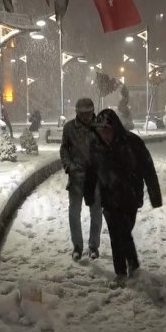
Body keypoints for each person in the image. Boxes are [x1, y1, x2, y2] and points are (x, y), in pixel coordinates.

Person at [84, 109, 162, 279]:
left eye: (107, 129)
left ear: (114, 128)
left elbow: (148, 169)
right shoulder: (96, 146)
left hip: (130, 196)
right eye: (101, 130)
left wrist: (155, 195)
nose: (104, 134)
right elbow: (90, 171)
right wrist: (89, 193)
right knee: (115, 233)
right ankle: (121, 271)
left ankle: (132, 264)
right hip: (108, 196)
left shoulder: (132, 142)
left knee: (124, 231)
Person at [60, 98, 103, 261]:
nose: (86, 117)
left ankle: (94, 246)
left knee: (96, 212)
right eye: (83, 113)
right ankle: (77, 246)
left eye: (89, 113)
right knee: (74, 212)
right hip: (76, 176)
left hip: (95, 177)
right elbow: (64, 148)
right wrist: (69, 166)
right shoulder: (70, 128)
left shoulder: (100, 126)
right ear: (77, 112)